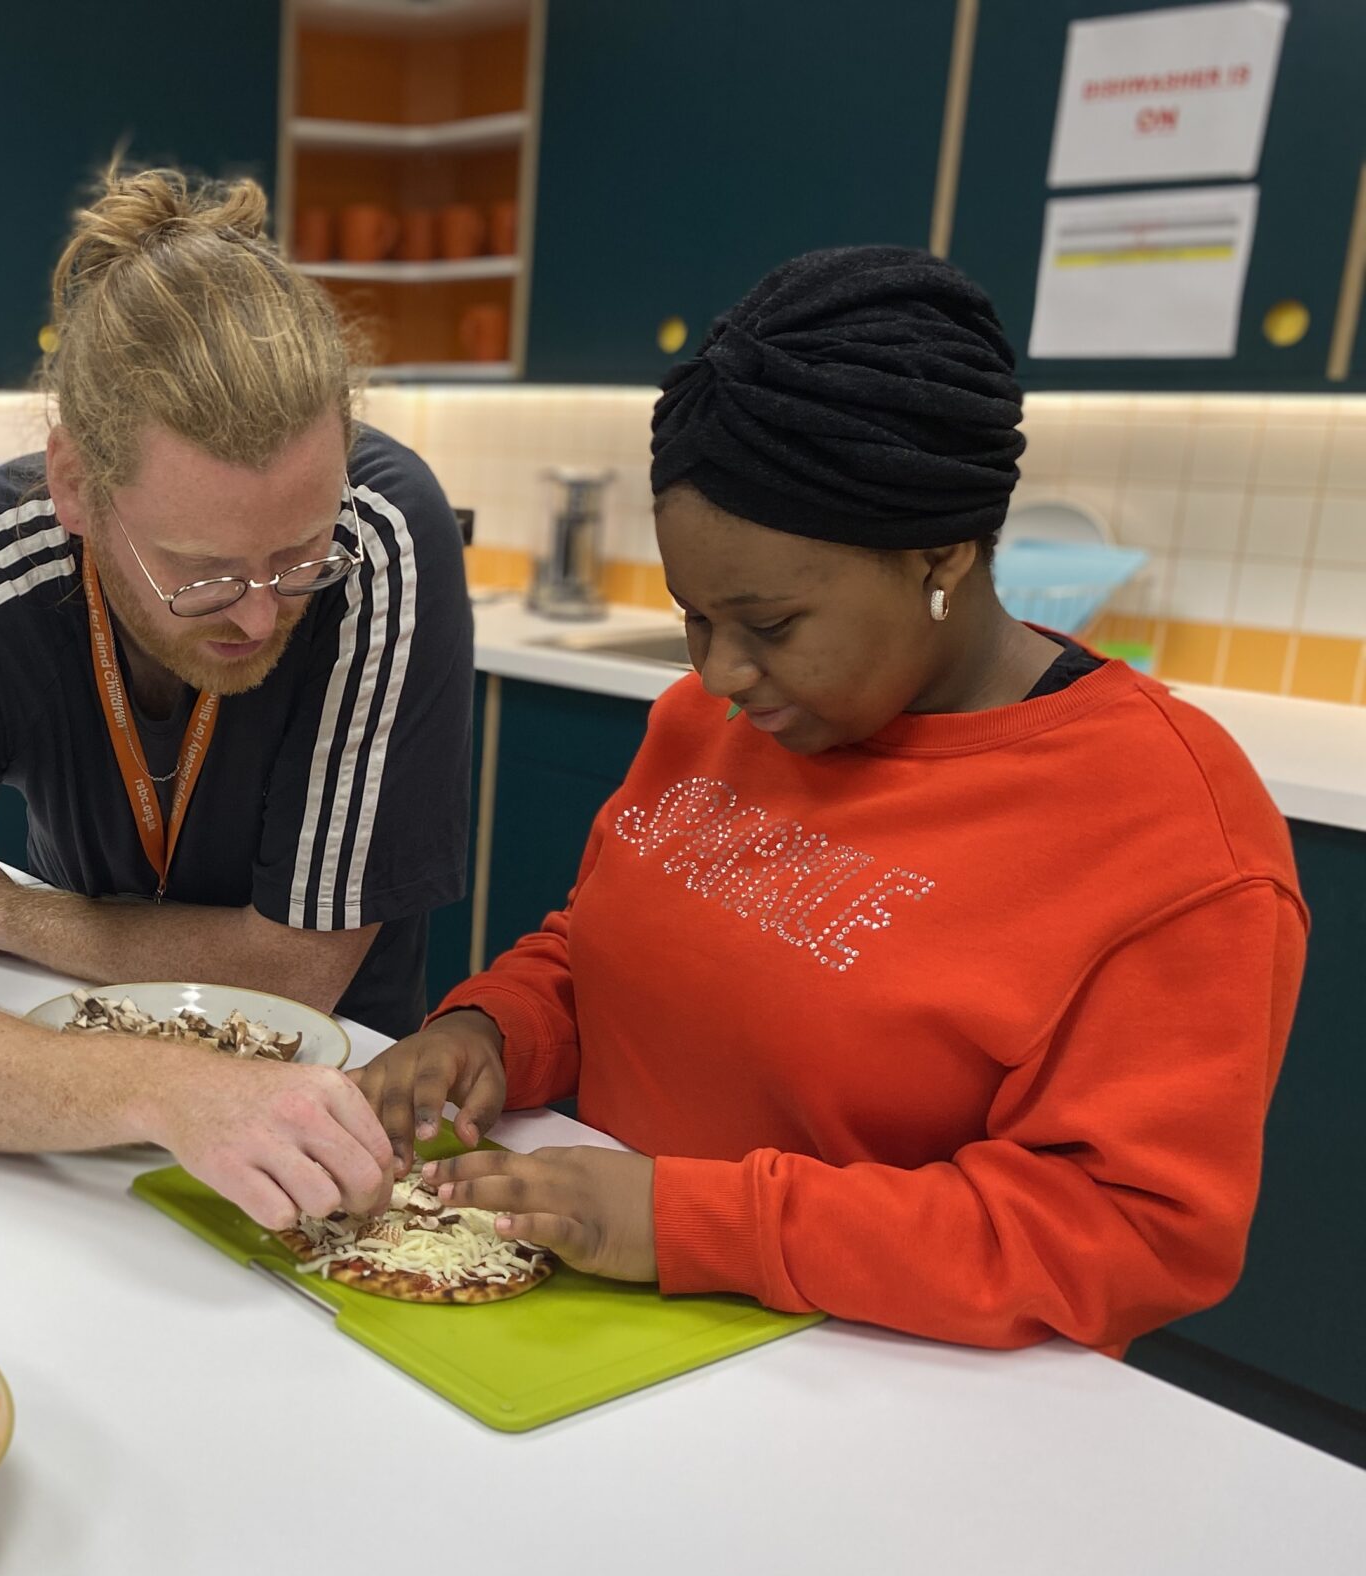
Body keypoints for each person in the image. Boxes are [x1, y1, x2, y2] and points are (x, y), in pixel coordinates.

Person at [356, 246, 1307, 1351]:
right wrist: (491, 1028)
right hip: (586, 1329)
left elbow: (1125, 1234)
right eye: (692, 619)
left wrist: (695, 1224)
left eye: (768, 626)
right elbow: (606, 952)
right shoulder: (718, 720)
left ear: (940, 560)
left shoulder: (1172, 837)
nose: (714, 676)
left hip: (872, 1390)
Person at [0, 165, 475, 1230]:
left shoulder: (382, 542)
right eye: (202, 570)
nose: (261, 617)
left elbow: (294, 973)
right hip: (51, 1108)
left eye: (296, 555)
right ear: (76, 488)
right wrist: (163, 1090)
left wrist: (21, 916)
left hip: (339, 1123)